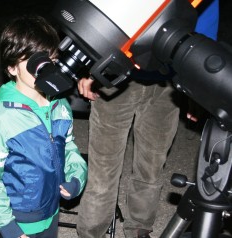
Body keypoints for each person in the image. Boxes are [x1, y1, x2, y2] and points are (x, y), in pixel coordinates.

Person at [76, 1, 219, 238]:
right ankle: (91, 233)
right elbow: (105, 13)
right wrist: (90, 67)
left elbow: (202, 40)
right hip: (117, 73)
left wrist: (197, 91)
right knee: (104, 168)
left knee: (151, 166)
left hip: (166, 87)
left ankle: (139, 228)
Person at [0, 15, 87, 238]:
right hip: (19, 219)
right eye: (35, 61)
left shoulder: (59, 104)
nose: (44, 68)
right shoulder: (2, 117)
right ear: (12, 67)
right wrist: (8, 227)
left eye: (50, 60)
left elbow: (70, 148)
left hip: (52, 210)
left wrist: (76, 177)